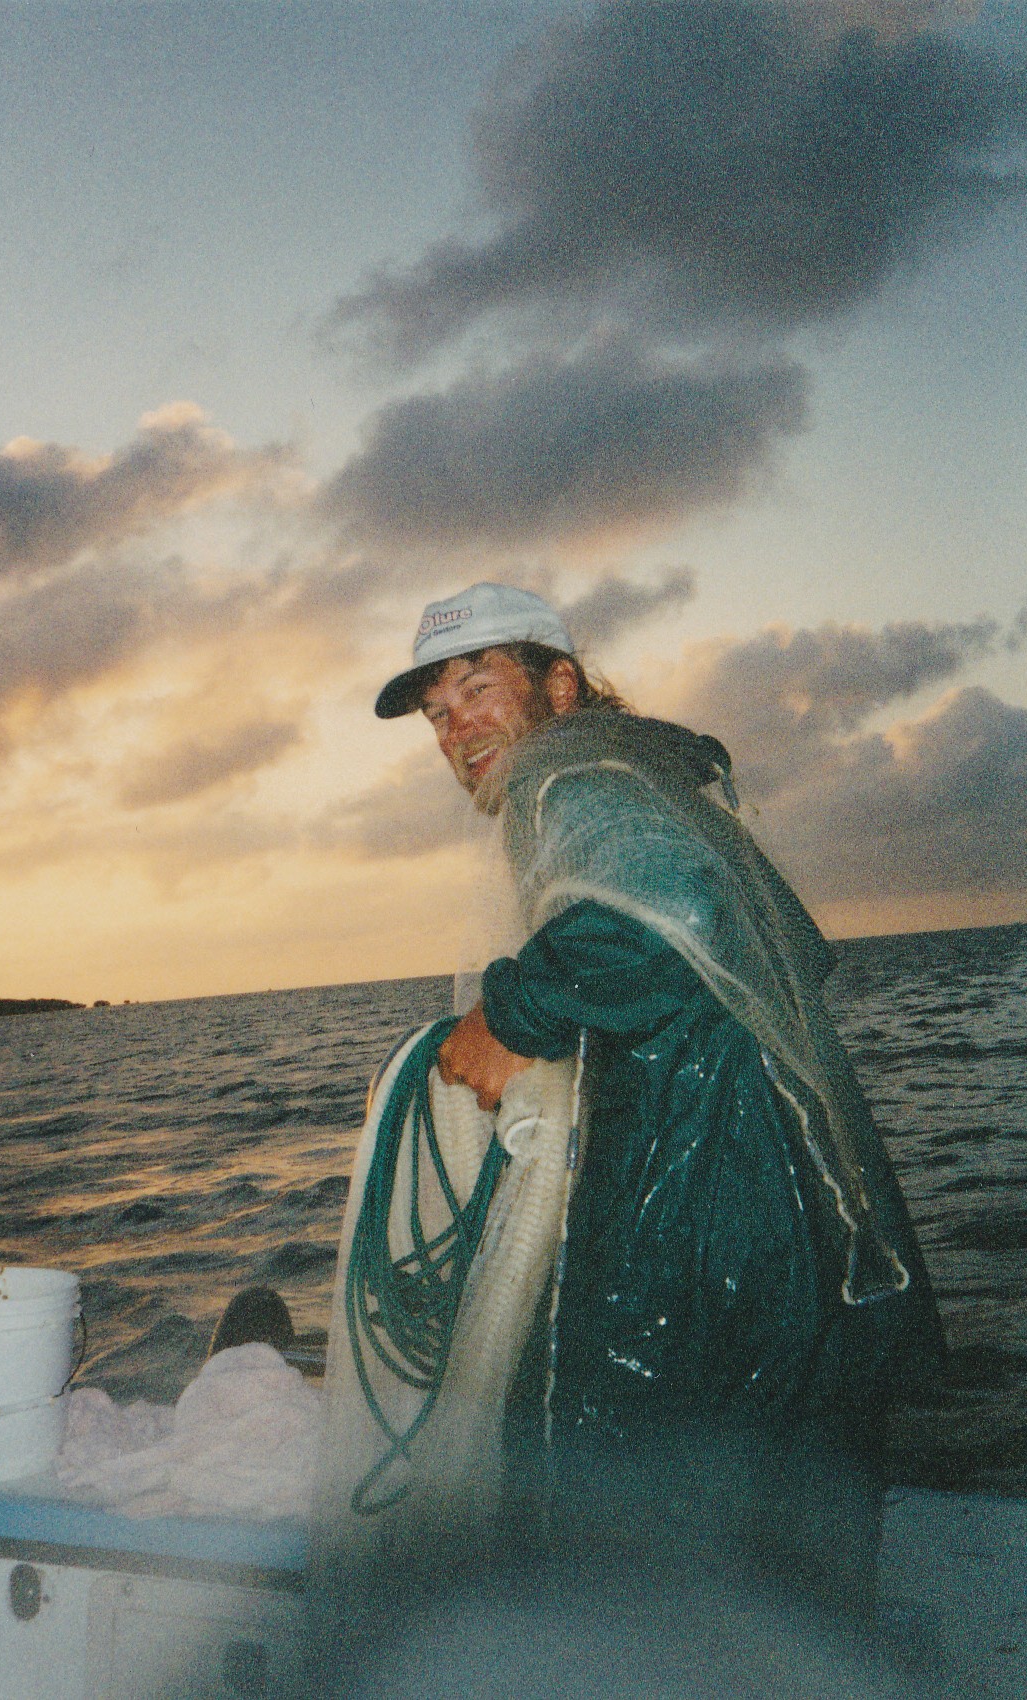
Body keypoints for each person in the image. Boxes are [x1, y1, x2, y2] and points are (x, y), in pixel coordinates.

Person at [371, 581, 944, 1608]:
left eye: (476, 687)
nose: (455, 728)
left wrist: (513, 1012)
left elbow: (669, 903)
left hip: (709, 1225)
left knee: (629, 1538)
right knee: (786, 1573)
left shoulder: (569, 774)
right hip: (793, 1227)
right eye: (436, 713)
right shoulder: (644, 772)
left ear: (559, 682)